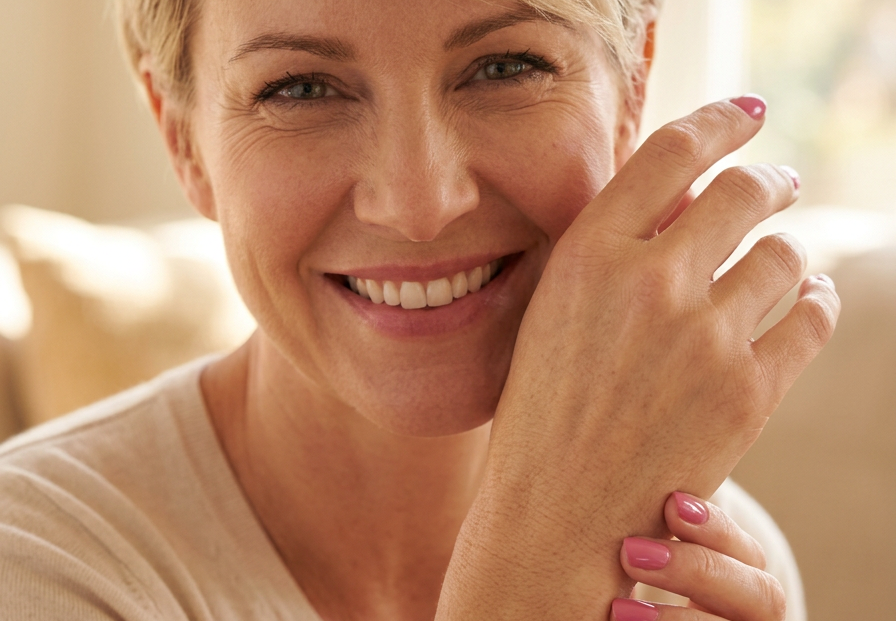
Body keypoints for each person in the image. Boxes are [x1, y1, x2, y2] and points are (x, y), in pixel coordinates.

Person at [0, 0, 840, 619]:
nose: (419, 204)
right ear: (183, 140)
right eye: (300, 88)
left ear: (632, 88)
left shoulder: (708, 566)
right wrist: (536, 578)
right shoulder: (34, 563)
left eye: (506, 67)